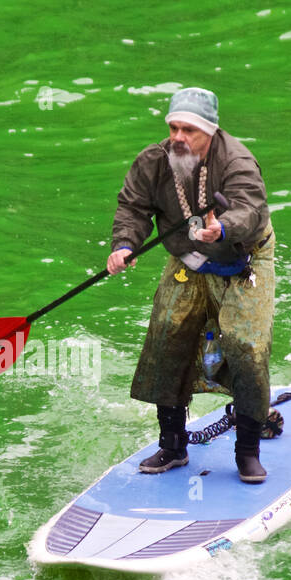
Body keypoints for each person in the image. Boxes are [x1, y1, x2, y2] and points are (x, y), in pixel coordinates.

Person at [106, 87, 278, 483]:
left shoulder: (237, 161)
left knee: (247, 346)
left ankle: (247, 451)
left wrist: (223, 228)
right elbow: (133, 206)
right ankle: (172, 445)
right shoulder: (154, 160)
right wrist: (125, 245)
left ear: (210, 132)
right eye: (173, 127)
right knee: (167, 335)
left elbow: (250, 209)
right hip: (186, 260)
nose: (178, 137)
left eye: (188, 130)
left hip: (242, 261)